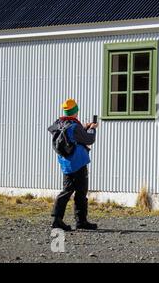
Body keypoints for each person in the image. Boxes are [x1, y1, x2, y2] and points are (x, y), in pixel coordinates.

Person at [48, 99, 98, 231]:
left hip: (66, 163)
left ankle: (57, 219)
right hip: (79, 163)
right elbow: (89, 139)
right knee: (81, 192)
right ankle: (81, 221)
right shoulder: (74, 126)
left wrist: (85, 128)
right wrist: (92, 129)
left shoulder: (59, 124)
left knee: (66, 191)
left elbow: (73, 137)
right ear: (75, 111)